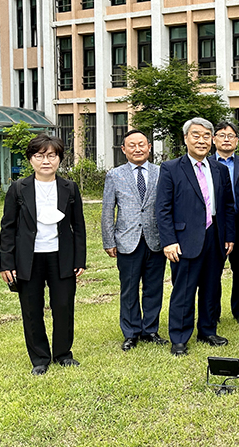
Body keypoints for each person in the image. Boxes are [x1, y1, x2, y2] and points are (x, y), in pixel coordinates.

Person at [0, 134, 86, 375]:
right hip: (29, 258)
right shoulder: (18, 189)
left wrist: (80, 260)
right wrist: (7, 262)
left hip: (62, 257)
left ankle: (63, 354)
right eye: (39, 156)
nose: (46, 161)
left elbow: (78, 227)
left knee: (63, 306)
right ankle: (39, 358)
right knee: (31, 309)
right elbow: (8, 228)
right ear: (31, 159)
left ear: (59, 159)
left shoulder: (69, 188)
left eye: (51, 155)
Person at [156, 117, 236, 356]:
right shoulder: (171, 168)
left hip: (215, 236)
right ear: (185, 138)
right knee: (184, 289)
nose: (201, 140)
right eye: (196, 135)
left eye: (205, 136)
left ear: (212, 140)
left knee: (212, 287)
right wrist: (169, 241)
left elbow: (228, 205)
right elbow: (163, 208)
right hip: (184, 238)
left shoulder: (219, 169)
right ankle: (179, 337)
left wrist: (229, 235)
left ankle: (208, 330)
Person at [101, 130, 168, 352]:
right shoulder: (115, 175)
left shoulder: (162, 172)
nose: (137, 149)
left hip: (156, 239)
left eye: (141, 144)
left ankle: (150, 330)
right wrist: (109, 240)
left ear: (149, 147)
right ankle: (130, 333)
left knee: (153, 287)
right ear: (123, 149)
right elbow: (107, 209)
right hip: (127, 240)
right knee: (129, 289)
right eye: (132, 145)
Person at [212, 121, 239, 325]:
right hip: (216, 225)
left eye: (231, 136)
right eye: (222, 135)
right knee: (213, 270)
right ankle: (213, 312)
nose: (226, 139)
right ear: (213, 139)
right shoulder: (207, 164)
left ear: (237, 140)